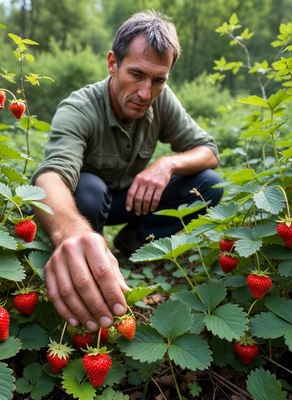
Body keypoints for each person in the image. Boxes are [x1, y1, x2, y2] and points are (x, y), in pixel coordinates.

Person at [31, 10, 223, 333]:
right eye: (136, 74)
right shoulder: (79, 109)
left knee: (209, 186)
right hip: (86, 206)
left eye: (158, 80)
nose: (145, 93)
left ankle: (134, 240)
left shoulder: (161, 101)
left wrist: (167, 163)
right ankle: (91, 253)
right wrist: (70, 231)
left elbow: (209, 151)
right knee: (90, 190)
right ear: (112, 64)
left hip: (129, 200)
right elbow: (50, 176)